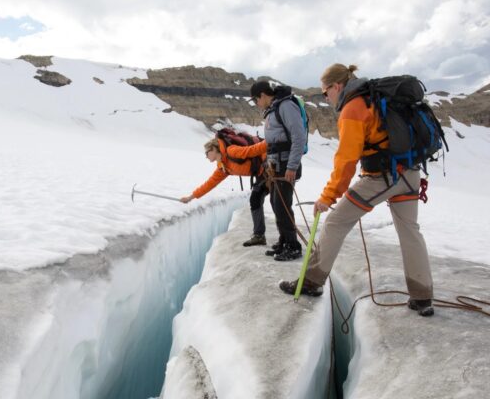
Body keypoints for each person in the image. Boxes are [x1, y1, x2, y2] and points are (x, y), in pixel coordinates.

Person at [278, 64, 435, 317]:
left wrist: (327, 197)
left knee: (335, 223)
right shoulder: (373, 99)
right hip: (411, 174)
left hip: (383, 177)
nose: (325, 97)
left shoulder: (353, 108)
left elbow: (346, 161)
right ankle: (422, 297)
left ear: (336, 86)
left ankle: (311, 282)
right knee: (410, 231)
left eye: (325, 92)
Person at [250, 81, 308, 261]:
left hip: (286, 166)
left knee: (282, 206)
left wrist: (291, 166)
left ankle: (293, 246)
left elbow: (298, 136)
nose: (256, 104)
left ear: (262, 95)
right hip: (276, 166)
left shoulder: (286, 106)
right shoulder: (273, 109)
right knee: (277, 204)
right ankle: (284, 241)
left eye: (255, 100)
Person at [180, 137, 270, 247]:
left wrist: (271, 141)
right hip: (263, 175)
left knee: (276, 202)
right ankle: (259, 236)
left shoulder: (231, 151)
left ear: (213, 149)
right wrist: (191, 197)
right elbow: (209, 184)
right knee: (255, 200)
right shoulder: (223, 167)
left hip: (271, 167)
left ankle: (285, 240)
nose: (206, 156)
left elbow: (252, 150)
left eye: (206, 153)